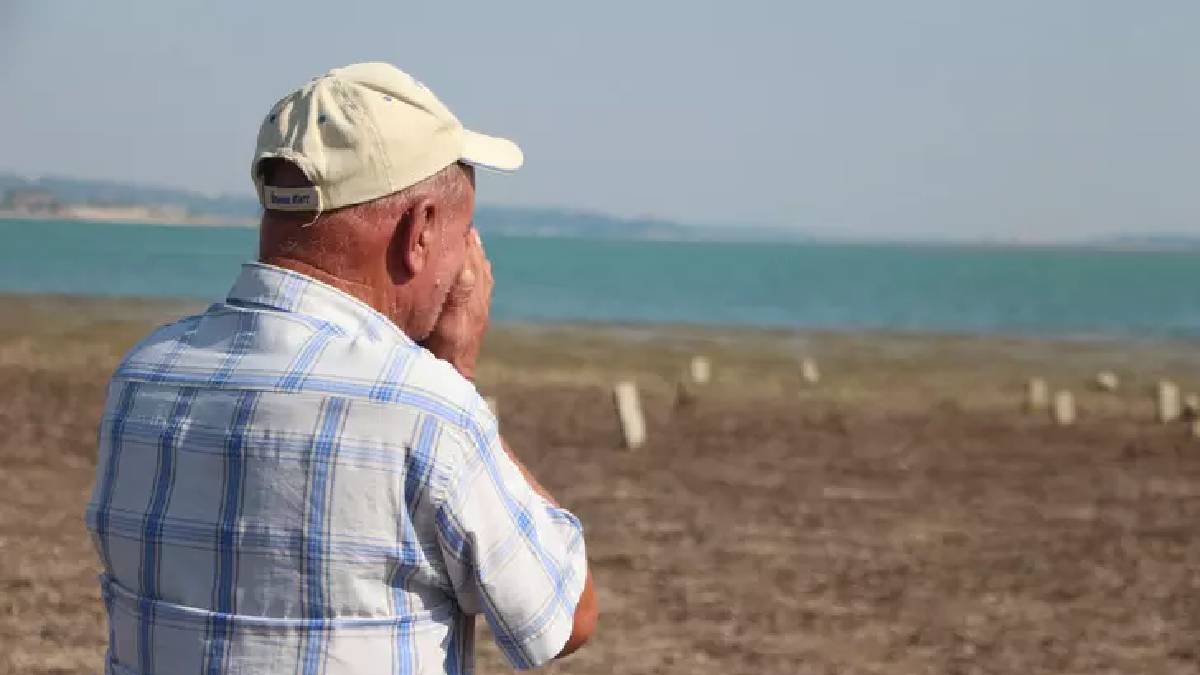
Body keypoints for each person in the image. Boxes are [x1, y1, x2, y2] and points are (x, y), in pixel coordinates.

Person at [84, 62, 597, 675]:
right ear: (419, 231)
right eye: (464, 236)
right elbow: (562, 618)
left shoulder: (144, 376)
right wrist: (455, 373)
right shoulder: (426, 408)